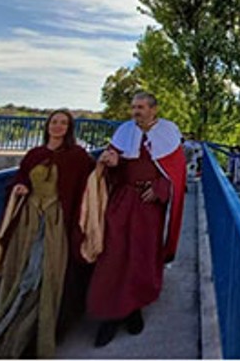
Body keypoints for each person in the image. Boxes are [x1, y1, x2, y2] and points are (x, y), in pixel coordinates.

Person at [0, 110, 94, 358]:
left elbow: (93, 183)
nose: (58, 126)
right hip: (29, 218)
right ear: (47, 125)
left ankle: (37, 325)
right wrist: (20, 185)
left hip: (56, 220)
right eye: (54, 122)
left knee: (46, 269)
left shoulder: (78, 156)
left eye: (64, 123)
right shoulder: (34, 154)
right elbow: (22, 176)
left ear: (69, 128)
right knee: (23, 265)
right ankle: (12, 312)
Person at [86, 91, 186, 348]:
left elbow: (175, 174)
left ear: (154, 109)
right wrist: (111, 160)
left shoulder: (169, 133)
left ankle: (133, 309)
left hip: (149, 208)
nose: (135, 112)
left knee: (142, 256)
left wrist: (161, 188)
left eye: (140, 107)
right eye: (133, 107)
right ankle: (110, 315)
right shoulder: (124, 132)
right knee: (113, 255)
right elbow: (115, 162)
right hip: (123, 201)